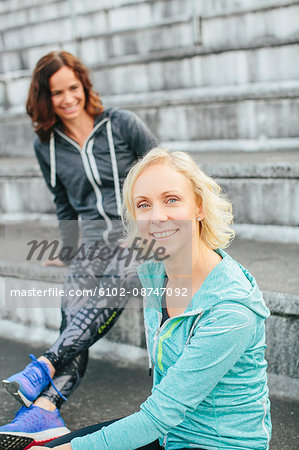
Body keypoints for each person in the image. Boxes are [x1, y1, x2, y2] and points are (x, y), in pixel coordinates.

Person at [31, 147, 272, 449]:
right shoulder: (155, 271)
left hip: (217, 443)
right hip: (170, 432)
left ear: (198, 207)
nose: (157, 217)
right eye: (143, 205)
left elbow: (158, 416)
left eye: (171, 199)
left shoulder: (232, 308)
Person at [0, 51, 158, 449]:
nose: (68, 98)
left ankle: (44, 377)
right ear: (45, 98)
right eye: (57, 92)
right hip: (90, 244)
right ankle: (47, 409)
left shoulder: (120, 124)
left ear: (84, 86)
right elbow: (64, 204)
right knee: (74, 311)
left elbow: (163, 171)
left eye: (73, 87)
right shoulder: (47, 146)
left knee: (120, 277)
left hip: (136, 237)